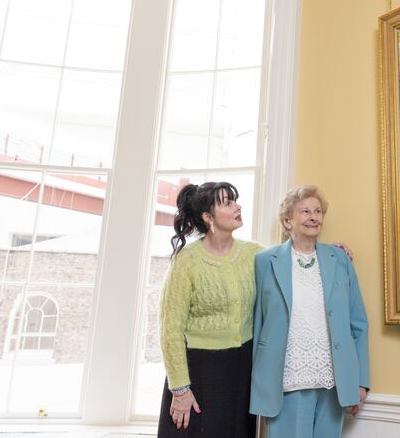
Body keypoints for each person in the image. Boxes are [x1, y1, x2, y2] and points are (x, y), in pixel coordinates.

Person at [250, 185, 370, 438]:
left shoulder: (340, 259)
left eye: (318, 211)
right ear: (287, 220)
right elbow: (257, 322)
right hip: (286, 381)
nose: (313, 217)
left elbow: (358, 323)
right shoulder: (264, 261)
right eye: (305, 211)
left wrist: (361, 382)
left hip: (334, 382)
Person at [157, 181, 261, 437]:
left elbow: (293, 259)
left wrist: (331, 253)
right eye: (227, 203)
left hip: (241, 369)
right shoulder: (186, 261)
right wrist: (180, 390)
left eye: (235, 201)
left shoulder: (254, 254)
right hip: (199, 372)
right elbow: (170, 329)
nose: (237, 207)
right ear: (208, 217)